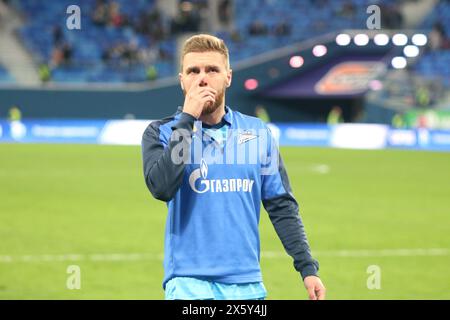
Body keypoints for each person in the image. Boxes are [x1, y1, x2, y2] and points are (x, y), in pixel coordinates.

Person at [141, 34, 325, 300]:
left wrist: (308, 268)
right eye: (193, 71)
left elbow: (281, 205)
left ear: (228, 77)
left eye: (212, 70)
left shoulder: (257, 132)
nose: (202, 78)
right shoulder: (162, 132)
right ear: (182, 80)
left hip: (247, 284)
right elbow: (162, 187)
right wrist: (187, 120)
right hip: (188, 284)